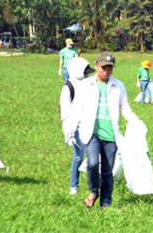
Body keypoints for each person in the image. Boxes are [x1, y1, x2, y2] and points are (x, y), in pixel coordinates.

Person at [65, 51, 142, 208]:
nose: (106, 72)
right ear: (96, 65)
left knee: (108, 172)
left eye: (110, 68)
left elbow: (124, 108)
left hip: (110, 134)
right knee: (92, 163)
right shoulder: (85, 85)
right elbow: (76, 109)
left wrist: (136, 120)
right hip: (91, 132)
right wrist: (70, 131)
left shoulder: (118, 86)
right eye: (103, 68)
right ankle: (94, 191)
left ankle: (106, 204)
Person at [60, 57, 95, 195]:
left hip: (90, 124)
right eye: (84, 72)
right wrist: (68, 132)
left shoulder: (89, 84)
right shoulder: (68, 88)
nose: (87, 75)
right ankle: (74, 186)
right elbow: (65, 112)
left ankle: (93, 184)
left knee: (93, 156)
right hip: (75, 128)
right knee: (78, 157)